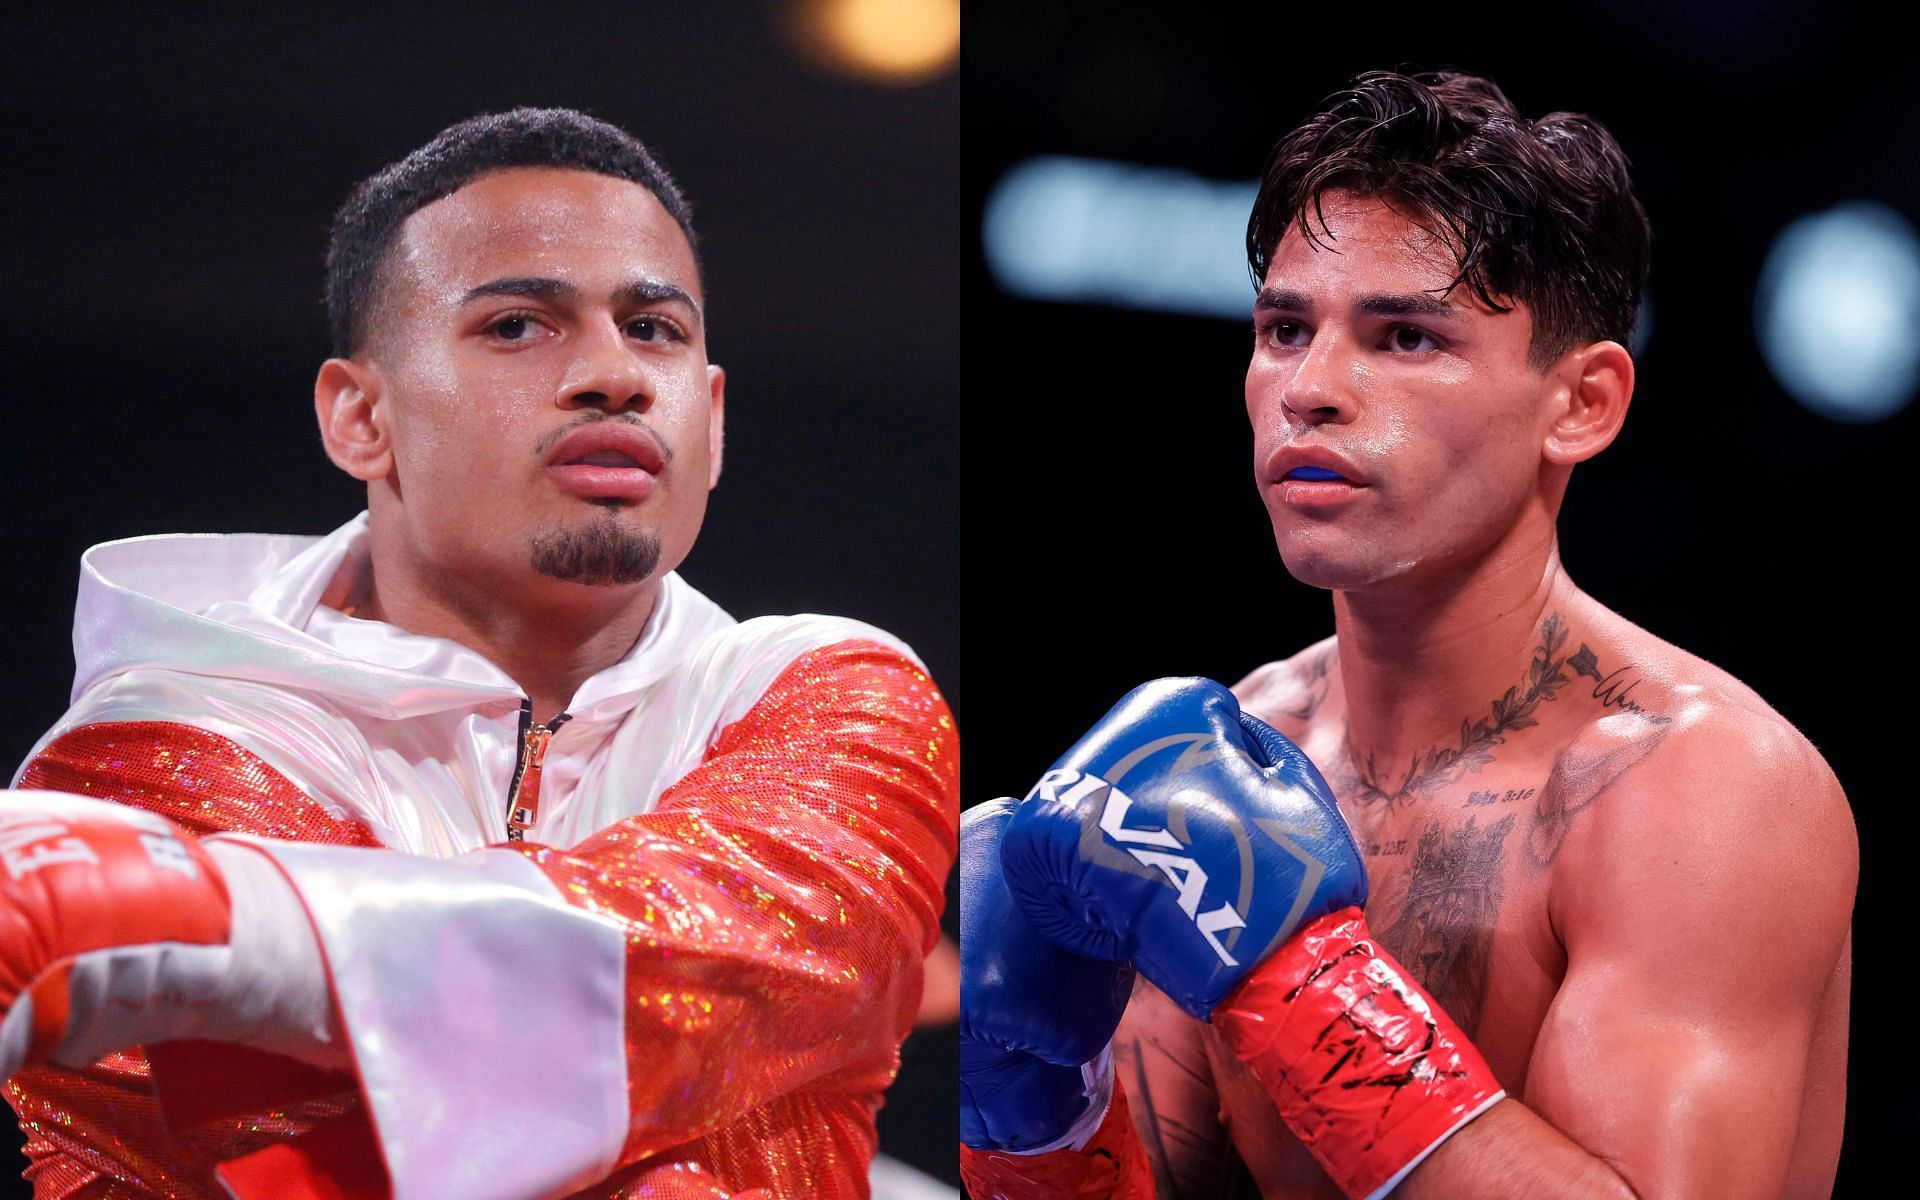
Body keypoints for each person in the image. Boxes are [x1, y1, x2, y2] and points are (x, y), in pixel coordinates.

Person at [0, 107, 958, 1200]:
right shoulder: (151, 752)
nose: (615, 374)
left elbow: (724, 965)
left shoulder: (839, 697)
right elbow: (294, 1167)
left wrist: (205, 917)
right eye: (517, 326)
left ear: (715, 415)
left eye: (655, 331)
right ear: (361, 416)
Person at [961, 70, 1855, 1199]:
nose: (1311, 387)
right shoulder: (1236, 755)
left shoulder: (1697, 788)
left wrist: (1305, 989)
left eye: (1406, 338)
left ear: (1581, 404)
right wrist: (1033, 1119)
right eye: (1286, 328)